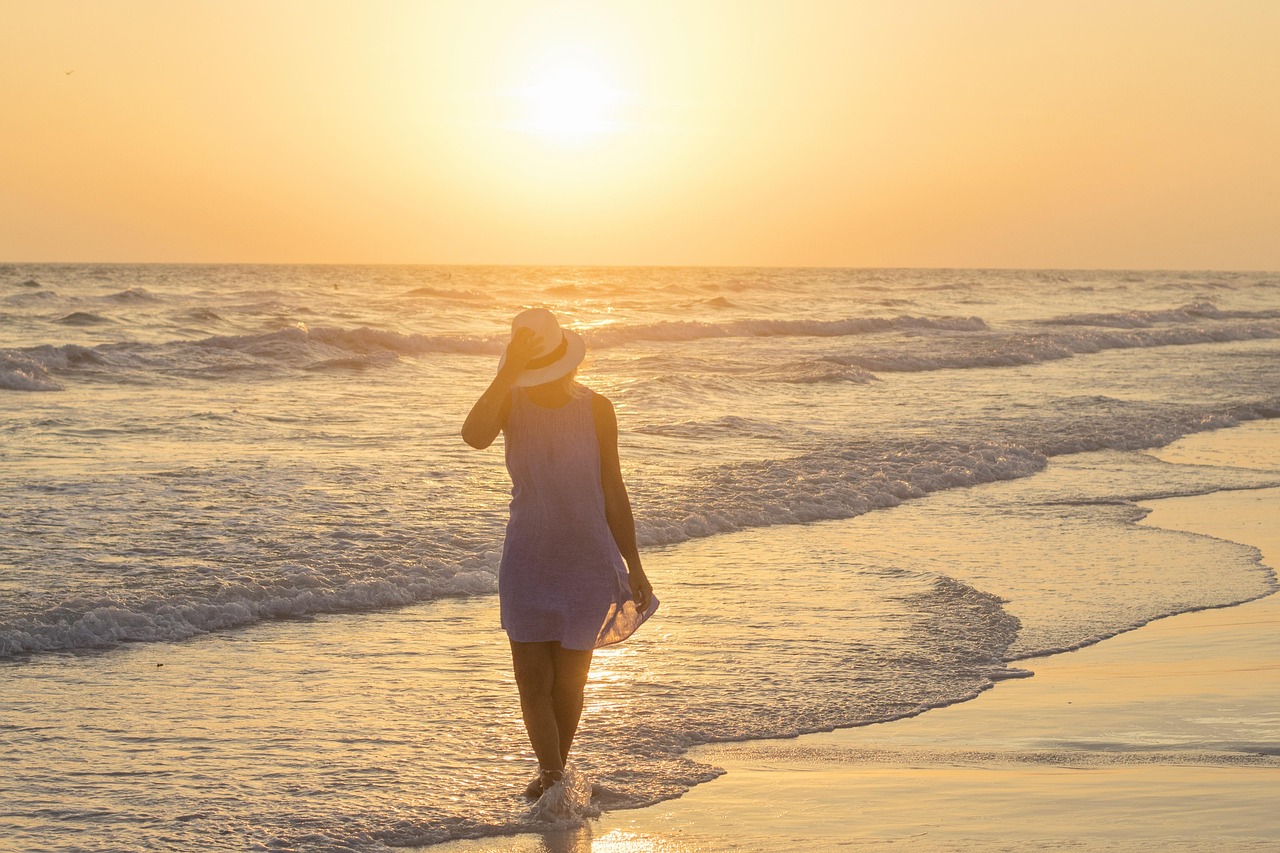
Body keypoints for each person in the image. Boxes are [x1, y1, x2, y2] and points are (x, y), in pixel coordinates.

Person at [462, 307, 657, 799]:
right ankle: (552, 777)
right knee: (531, 679)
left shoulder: (597, 408)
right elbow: (474, 436)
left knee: (570, 683)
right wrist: (506, 372)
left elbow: (613, 489)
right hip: (527, 558)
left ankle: (551, 778)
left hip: (588, 557)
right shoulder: (509, 402)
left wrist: (634, 564)